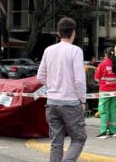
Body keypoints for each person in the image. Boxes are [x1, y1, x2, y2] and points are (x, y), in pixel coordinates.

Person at [37, 17, 87, 162]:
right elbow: (79, 80)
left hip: (52, 103)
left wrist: (53, 85)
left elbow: (40, 77)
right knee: (78, 139)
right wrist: (82, 100)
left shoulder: (48, 50)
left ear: (58, 33)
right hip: (71, 103)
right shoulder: (75, 51)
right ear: (73, 33)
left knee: (56, 143)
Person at [94, 47, 116, 138]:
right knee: (113, 111)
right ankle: (112, 131)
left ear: (106, 55)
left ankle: (103, 132)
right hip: (115, 91)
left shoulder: (102, 65)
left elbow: (96, 79)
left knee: (103, 111)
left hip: (105, 91)